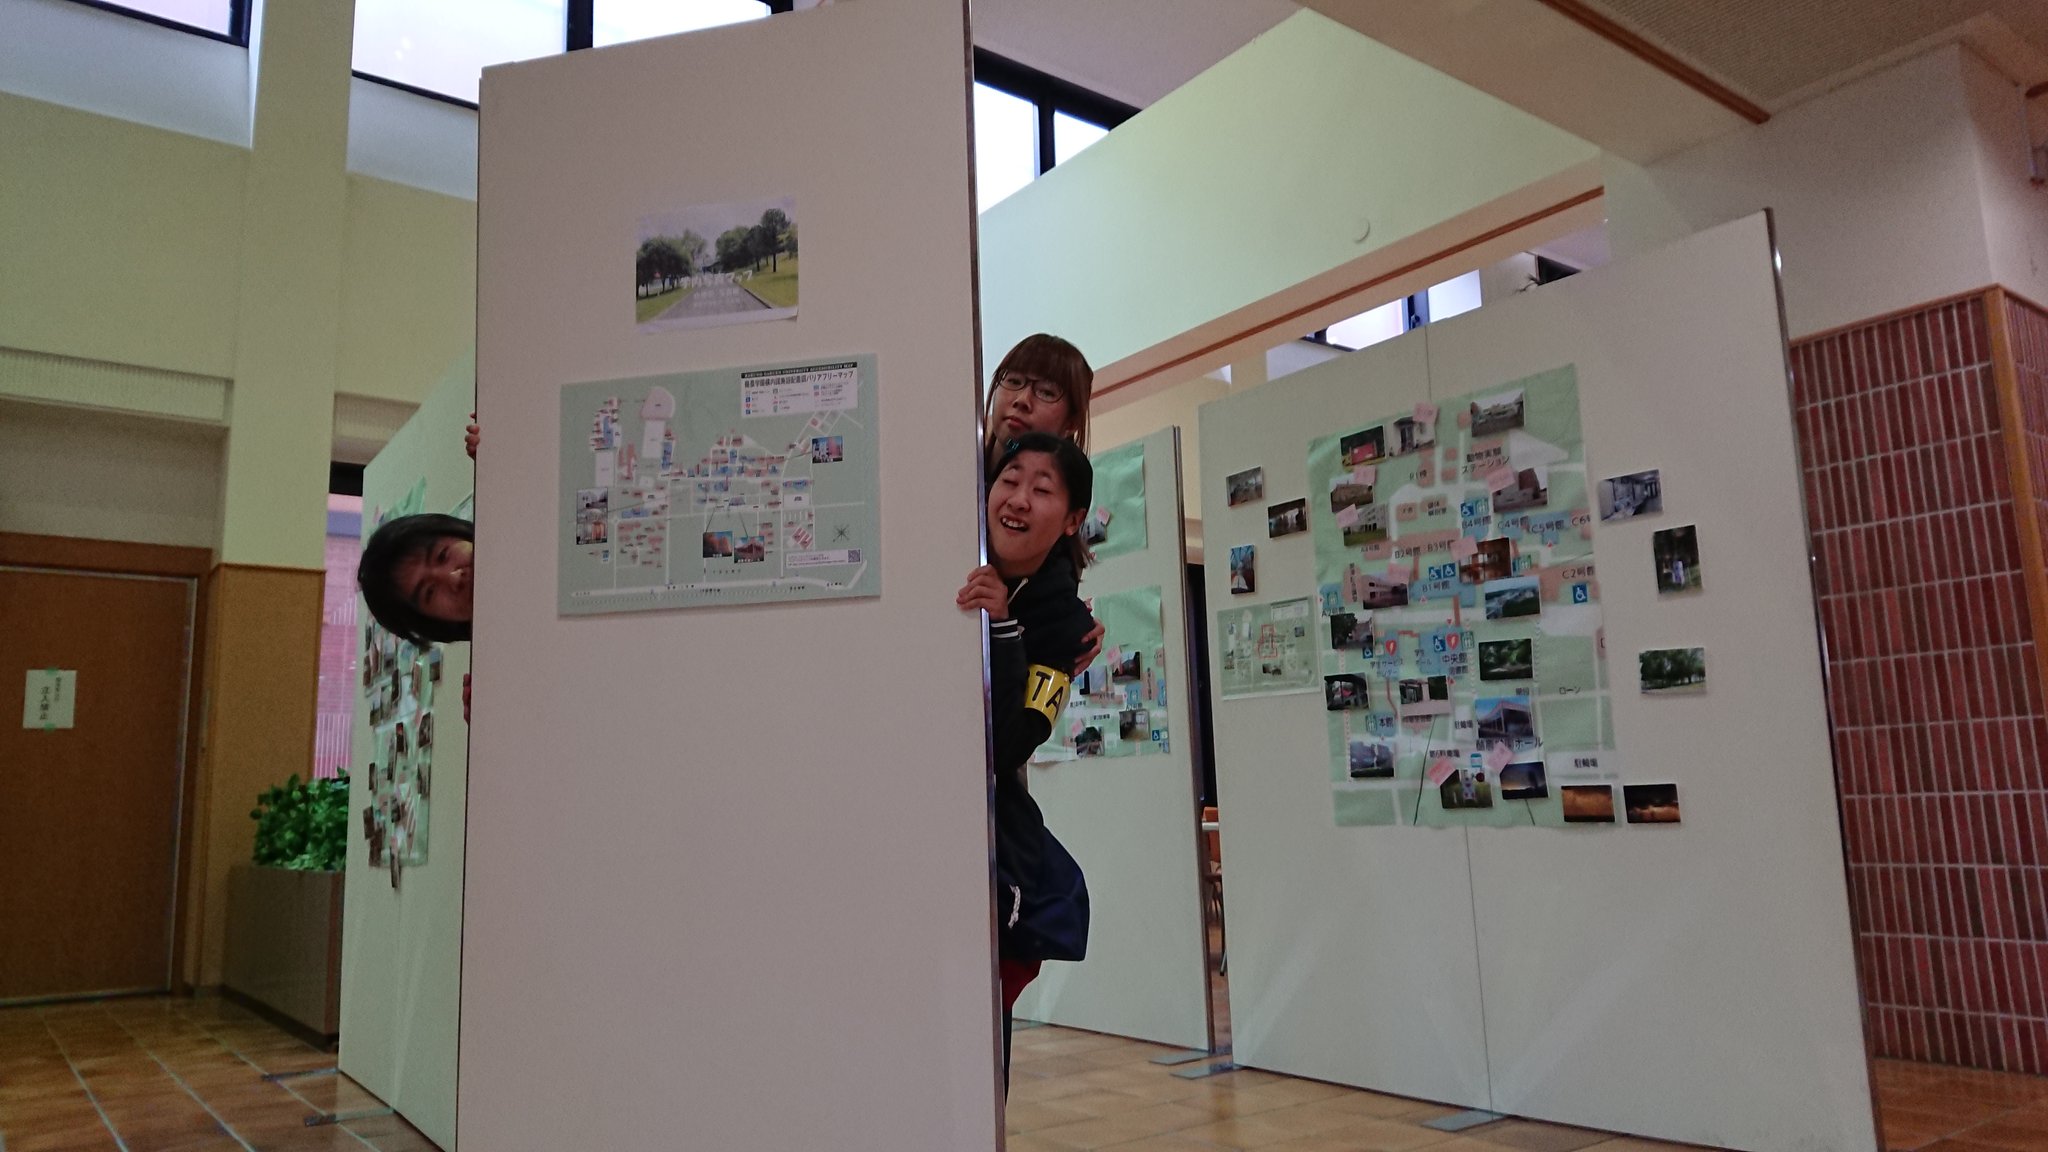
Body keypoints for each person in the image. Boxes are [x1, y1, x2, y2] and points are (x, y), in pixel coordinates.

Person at [955, 431, 1096, 1088]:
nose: (1017, 499)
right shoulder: (947, 546)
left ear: (1070, 521)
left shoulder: (1065, 624)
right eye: (1009, 480)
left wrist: (1004, 627)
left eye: (1042, 490)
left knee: (971, 1046)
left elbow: (1012, 743)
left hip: (985, 854)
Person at [984, 334, 1104, 664]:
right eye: (1013, 381)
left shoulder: (1058, 564)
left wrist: (1070, 631)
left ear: (1072, 424)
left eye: (1047, 392)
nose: (1022, 399)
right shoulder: (946, 479)